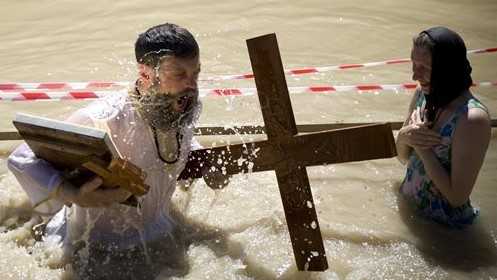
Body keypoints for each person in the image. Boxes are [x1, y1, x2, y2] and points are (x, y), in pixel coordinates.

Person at [7, 23, 214, 279]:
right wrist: (73, 193)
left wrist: (206, 163)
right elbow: (20, 158)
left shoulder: (179, 105)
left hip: (163, 233)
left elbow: (180, 144)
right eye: (179, 74)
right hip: (95, 249)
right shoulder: (102, 118)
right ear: (146, 74)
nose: (192, 85)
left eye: (196, 73)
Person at [396, 26, 491, 228]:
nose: (415, 76)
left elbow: (457, 197)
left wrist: (423, 149)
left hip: (444, 231)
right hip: (410, 212)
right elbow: (403, 157)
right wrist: (404, 135)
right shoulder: (423, 92)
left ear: (447, 69)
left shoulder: (472, 119)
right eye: (413, 63)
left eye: (425, 68)